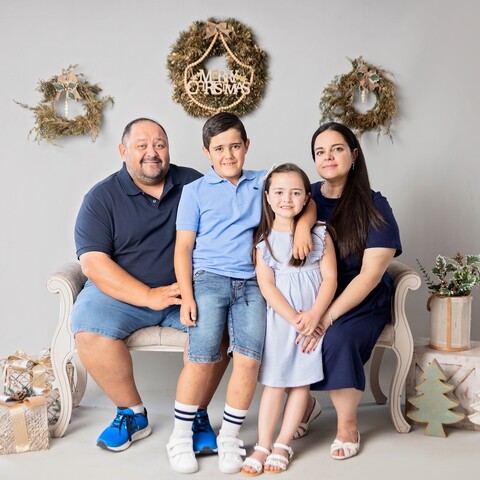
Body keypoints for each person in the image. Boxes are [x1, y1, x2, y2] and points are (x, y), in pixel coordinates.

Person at [166, 113, 317, 474]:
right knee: (201, 357)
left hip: (252, 282)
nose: (228, 155)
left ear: (247, 146)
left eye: (235, 146)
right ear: (207, 152)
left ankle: (230, 437)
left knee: (249, 359)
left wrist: (303, 229)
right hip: (209, 278)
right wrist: (188, 296)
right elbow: (183, 248)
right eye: (219, 148)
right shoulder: (194, 192)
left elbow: (306, 197)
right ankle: (180, 436)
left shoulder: (263, 181)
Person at [71, 118, 227, 453]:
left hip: (186, 290)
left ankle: (196, 414)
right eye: (141, 145)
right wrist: (147, 295)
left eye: (159, 144)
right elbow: (93, 263)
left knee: (219, 326)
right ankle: (132, 414)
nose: (151, 152)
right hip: (122, 294)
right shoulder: (101, 198)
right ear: (123, 151)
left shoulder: (194, 183)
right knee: (88, 328)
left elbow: (234, 222)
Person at [295, 122, 402, 460]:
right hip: (313, 294)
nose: (328, 157)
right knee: (281, 333)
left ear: (354, 155)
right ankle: (305, 405)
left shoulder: (374, 205)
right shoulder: (303, 197)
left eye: (337, 149)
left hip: (361, 297)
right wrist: (301, 225)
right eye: (320, 152)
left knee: (338, 338)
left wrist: (326, 317)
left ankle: (347, 424)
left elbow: (370, 275)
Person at [240, 163, 337, 475]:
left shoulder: (319, 233)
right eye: (279, 192)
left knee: (299, 383)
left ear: (307, 198)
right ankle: (263, 445)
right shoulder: (264, 242)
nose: (287, 199)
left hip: (312, 321)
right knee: (274, 383)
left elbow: (330, 279)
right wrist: (293, 317)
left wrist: (314, 315)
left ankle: (283, 443)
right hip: (282, 322)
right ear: (268, 197)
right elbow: (266, 286)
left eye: (295, 193)